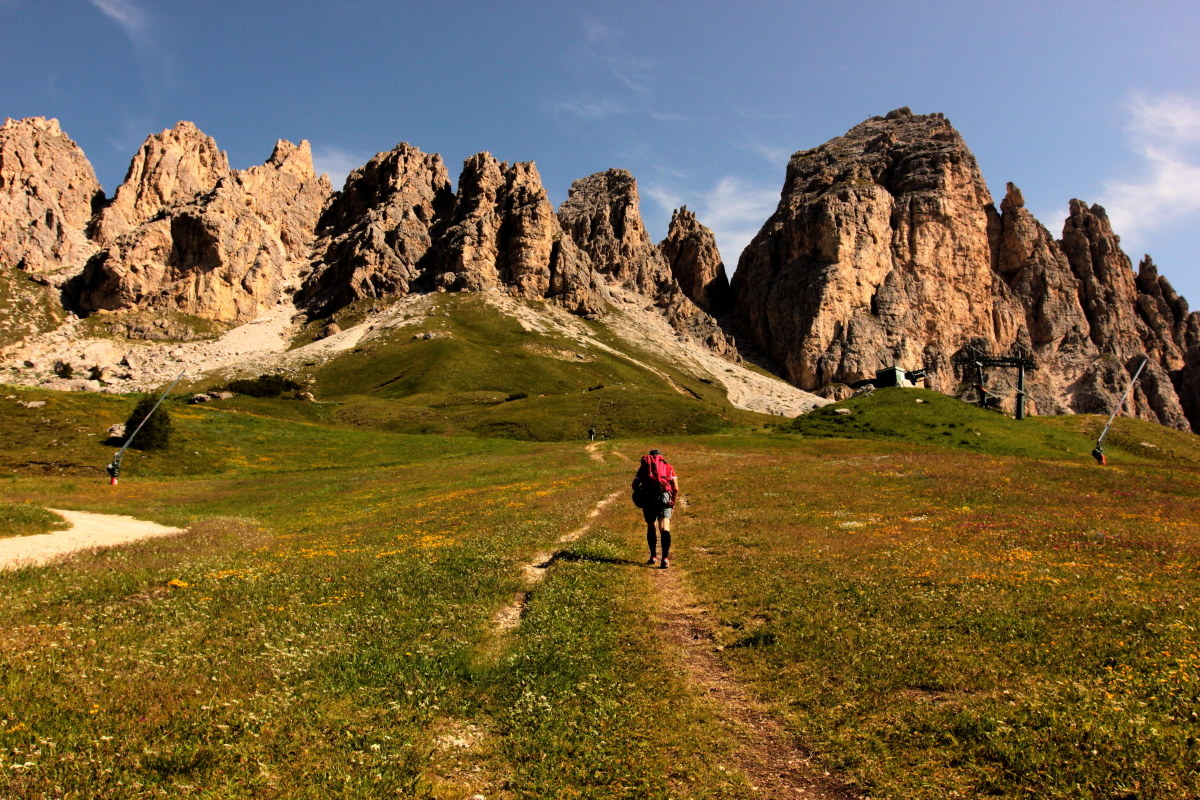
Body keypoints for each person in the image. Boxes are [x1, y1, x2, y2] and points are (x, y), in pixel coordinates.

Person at [633, 448, 679, 569]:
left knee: (651, 526)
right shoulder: (668, 467)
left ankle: (653, 556)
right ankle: (665, 559)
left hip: (648, 499)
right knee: (664, 527)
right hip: (665, 499)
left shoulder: (643, 468)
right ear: (661, 457)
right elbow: (675, 488)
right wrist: (672, 501)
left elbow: (634, 485)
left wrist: (641, 494)